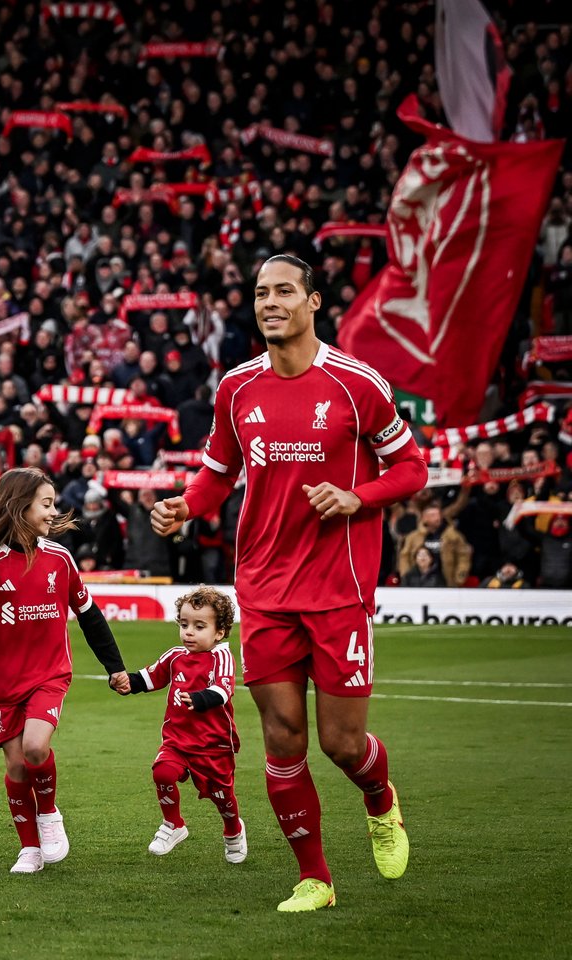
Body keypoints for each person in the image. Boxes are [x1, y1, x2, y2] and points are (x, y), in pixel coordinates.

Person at [151, 255, 428, 912]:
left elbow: (412, 469)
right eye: (260, 292)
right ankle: (315, 879)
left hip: (339, 590)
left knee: (341, 742)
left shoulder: (358, 384)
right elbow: (217, 471)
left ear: (313, 302)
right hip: (266, 590)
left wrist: (358, 497)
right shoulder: (237, 387)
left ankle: (380, 802)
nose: (270, 302)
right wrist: (187, 505)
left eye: (283, 291)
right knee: (281, 737)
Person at [0, 466, 131, 875]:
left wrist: (115, 667)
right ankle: (30, 848)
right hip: (4, 682)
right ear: (20, 507)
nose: (54, 512)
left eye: (54, 503)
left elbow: (90, 616)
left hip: (51, 674)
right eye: (46, 503)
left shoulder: (61, 558)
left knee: (36, 747)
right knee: (17, 767)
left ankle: (49, 814)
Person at [119, 587, 246, 864]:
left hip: (213, 745)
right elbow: (151, 676)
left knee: (222, 797)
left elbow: (224, 689)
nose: (189, 632)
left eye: (199, 626)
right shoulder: (175, 656)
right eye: (184, 624)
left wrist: (200, 698)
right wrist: (129, 683)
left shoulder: (221, 657)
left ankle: (233, 829)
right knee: (163, 773)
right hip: (177, 740)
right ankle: (174, 824)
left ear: (220, 632)